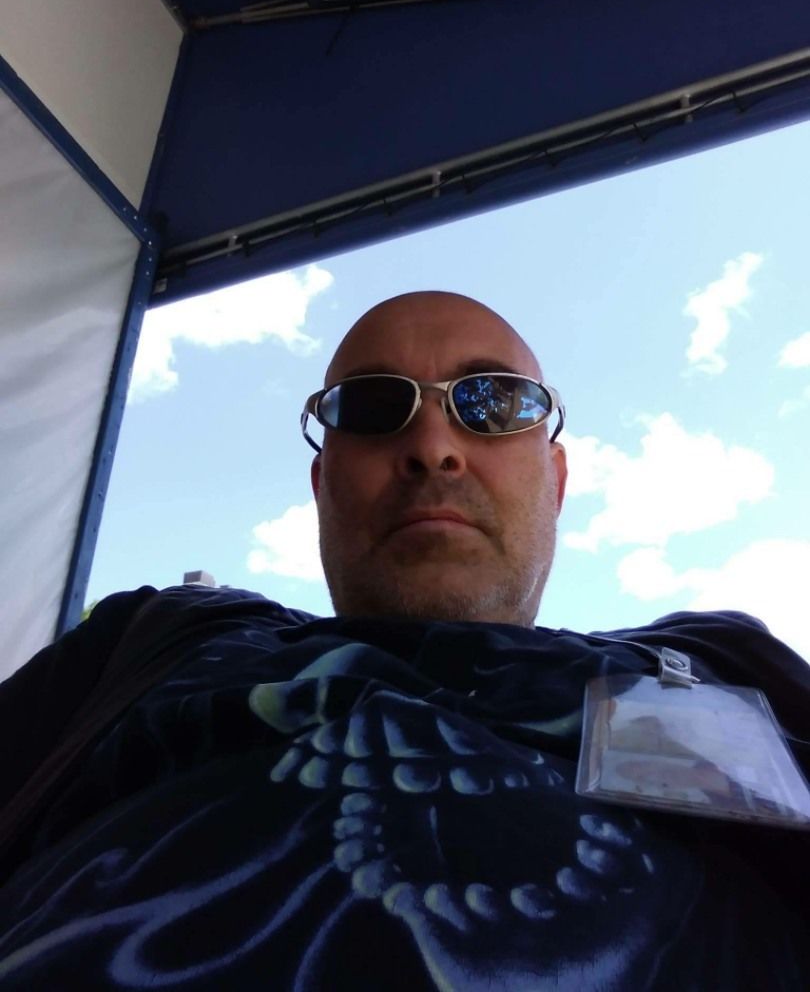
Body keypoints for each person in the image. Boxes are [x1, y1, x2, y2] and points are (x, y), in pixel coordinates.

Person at [0, 291, 808, 990]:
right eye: (371, 408)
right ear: (322, 484)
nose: (432, 447)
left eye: (495, 401)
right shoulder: (161, 636)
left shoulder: (708, 662)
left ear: (556, 481)